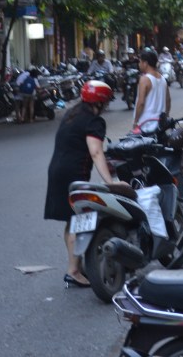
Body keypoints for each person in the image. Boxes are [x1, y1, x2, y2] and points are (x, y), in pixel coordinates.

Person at [43, 80, 115, 288]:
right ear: (100, 102)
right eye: (106, 101)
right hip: (73, 173)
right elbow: (96, 152)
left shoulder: (72, 114)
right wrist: (110, 182)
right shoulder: (94, 121)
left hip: (56, 170)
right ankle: (73, 270)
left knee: (71, 220)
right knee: (80, 221)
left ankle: (76, 265)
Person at [133, 49, 170, 132]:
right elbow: (168, 100)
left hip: (146, 125)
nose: (139, 64)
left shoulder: (144, 79)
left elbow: (141, 103)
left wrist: (135, 121)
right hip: (160, 124)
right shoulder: (163, 79)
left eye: (140, 62)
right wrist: (166, 116)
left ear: (145, 63)